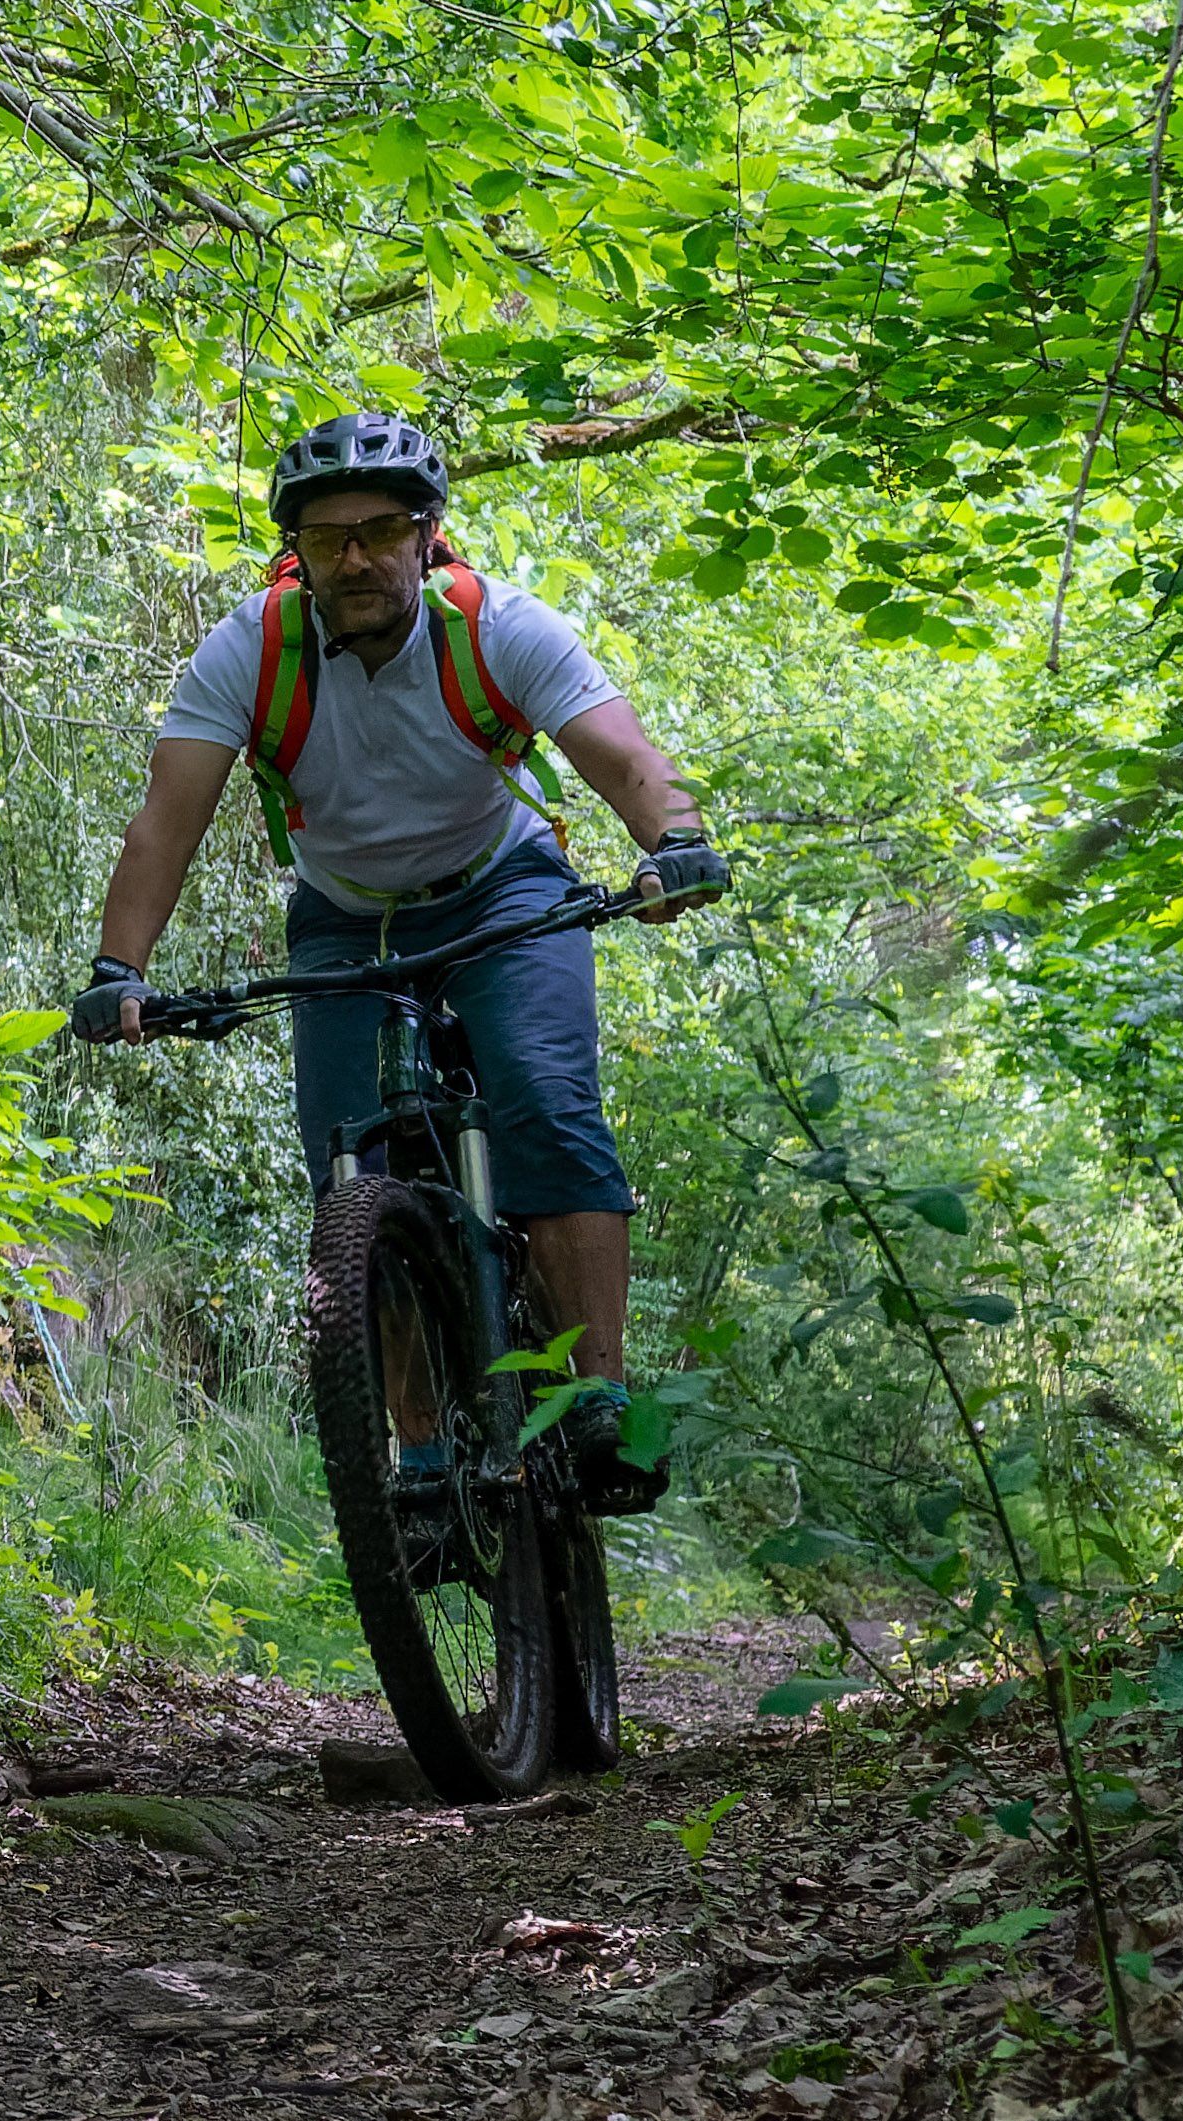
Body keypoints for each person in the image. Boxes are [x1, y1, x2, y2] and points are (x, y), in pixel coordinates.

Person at [74, 413, 729, 1500]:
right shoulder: (247, 651)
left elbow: (621, 757)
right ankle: (416, 1454)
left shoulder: (497, 629)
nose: (354, 557)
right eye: (328, 537)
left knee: (543, 1102)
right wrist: (116, 971)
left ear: (427, 535)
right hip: (344, 920)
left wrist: (677, 846)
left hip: (500, 891)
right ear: (295, 550)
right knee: (347, 1169)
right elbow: (164, 820)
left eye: (379, 531)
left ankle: (598, 1402)